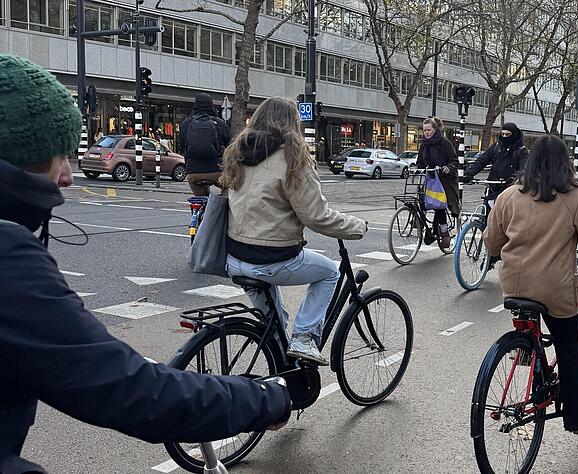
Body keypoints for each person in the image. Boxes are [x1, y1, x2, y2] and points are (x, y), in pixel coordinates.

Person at [0, 55, 291, 473]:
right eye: (59, 155)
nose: (67, 174)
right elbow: (118, 386)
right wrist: (265, 398)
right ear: (21, 154)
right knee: (329, 270)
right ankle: (304, 340)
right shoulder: (7, 255)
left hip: (192, 175)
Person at [483, 135, 578, 436]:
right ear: (565, 163)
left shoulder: (508, 196)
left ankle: (527, 352)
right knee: (570, 348)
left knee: (529, 326)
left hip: (515, 286)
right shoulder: (573, 197)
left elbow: (492, 241)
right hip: (555, 290)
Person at [221, 97, 368, 366]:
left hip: (235, 260)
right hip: (272, 259)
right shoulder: (291, 158)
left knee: (276, 325)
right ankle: (305, 338)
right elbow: (316, 216)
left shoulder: (238, 153)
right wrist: (357, 227)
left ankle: (281, 378)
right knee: (330, 273)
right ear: (292, 124)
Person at [416, 117, 461, 248]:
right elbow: (420, 161)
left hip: (445, 179)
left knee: (439, 205)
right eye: (424, 130)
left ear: (435, 130)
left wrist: (447, 168)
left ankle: (444, 232)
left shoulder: (444, 143)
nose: (426, 133)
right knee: (422, 201)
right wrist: (417, 168)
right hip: (431, 178)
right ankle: (423, 225)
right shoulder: (424, 144)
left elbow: (454, 160)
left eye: (429, 130)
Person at [460, 122, 529, 201]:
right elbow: (481, 161)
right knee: (487, 208)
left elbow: (525, 169)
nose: (504, 137)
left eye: (507, 134)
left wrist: (515, 178)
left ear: (514, 135)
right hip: (493, 187)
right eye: (502, 134)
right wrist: (469, 173)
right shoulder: (496, 147)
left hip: (510, 190)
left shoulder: (521, 151)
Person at [179, 93, 230, 196]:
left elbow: (182, 146)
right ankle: (223, 208)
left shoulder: (186, 123)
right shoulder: (219, 123)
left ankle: (198, 210)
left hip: (193, 172)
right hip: (217, 171)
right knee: (228, 191)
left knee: (200, 198)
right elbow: (230, 146)